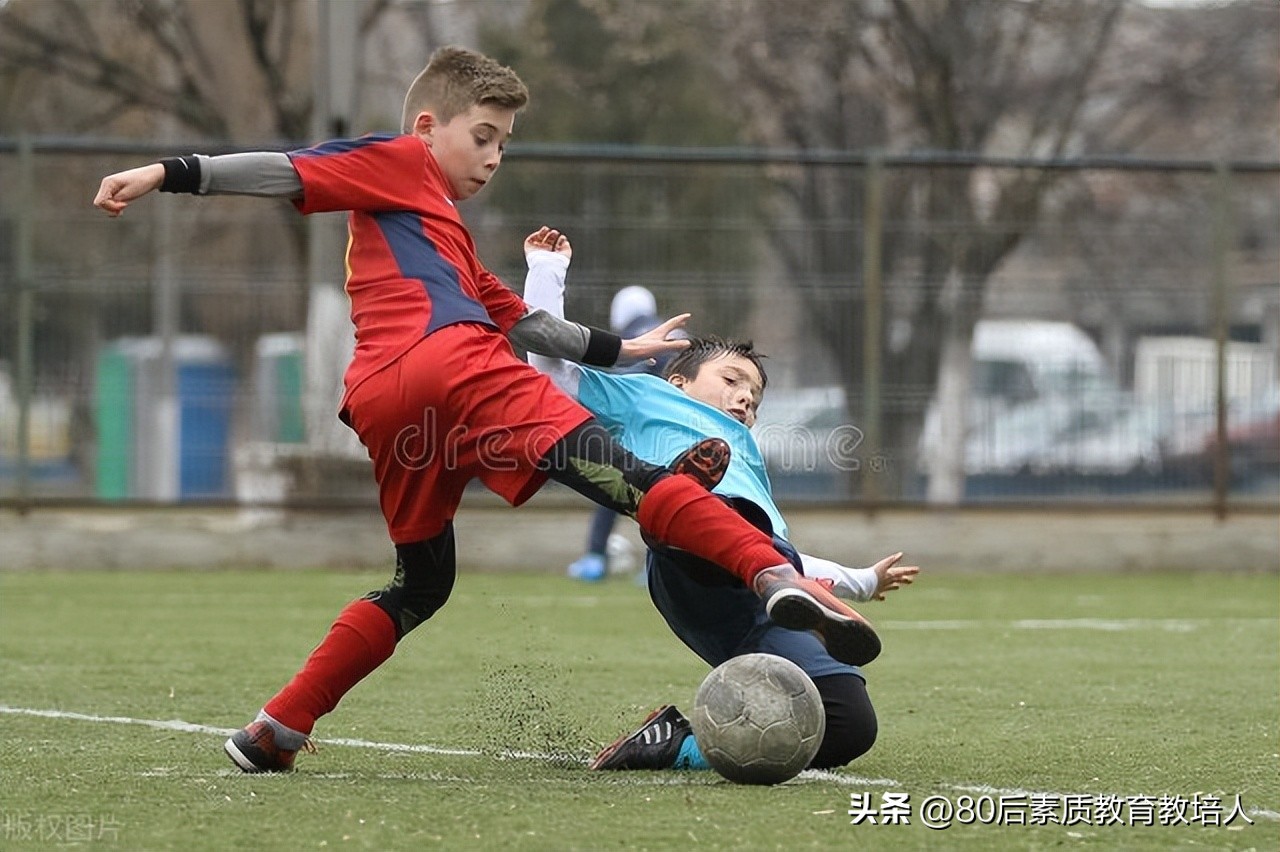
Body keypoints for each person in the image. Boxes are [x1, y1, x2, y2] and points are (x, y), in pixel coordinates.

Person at [92, 45, 879, 774]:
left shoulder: (441, 237)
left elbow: (527, 321)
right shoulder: (399, 160)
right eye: (484, 136)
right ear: (429, 127)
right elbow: (289, 169)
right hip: (455, 366)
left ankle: (276, 729)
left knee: (419, 583)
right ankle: (773, 572)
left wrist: (624, 351)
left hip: (386, 407)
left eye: (504, 144)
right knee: (640, 483)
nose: (494, 157)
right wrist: (169, 171)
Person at [522, 227, 919, 773]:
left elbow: (782, 557)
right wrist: (547, 270)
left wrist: (863, 581)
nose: (744, 398)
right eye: (732, 380)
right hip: (689, 564)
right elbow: (550, 371)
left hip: (757, 586)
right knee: (709, 517)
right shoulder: (648, 394)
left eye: (753, 397)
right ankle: (679, 499)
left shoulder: (748, 460)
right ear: (680, 382)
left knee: (850, 726)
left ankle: (673, 743)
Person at [567, 285, 671, 581]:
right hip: (684, 424)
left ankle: (596, 558)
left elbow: (627, 388)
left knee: (616, 484)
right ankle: (662, 565)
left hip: (649, 425)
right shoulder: (669, 331)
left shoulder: (635, 339)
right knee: (674, 493)